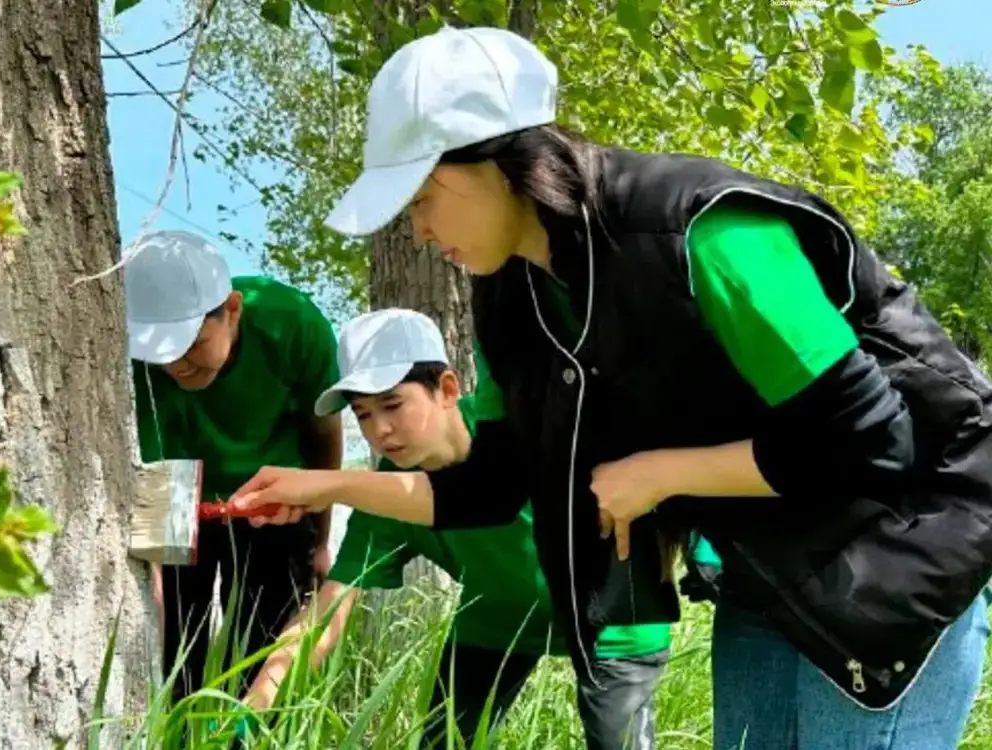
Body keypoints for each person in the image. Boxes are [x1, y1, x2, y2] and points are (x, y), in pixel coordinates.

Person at [228, 26, 992, 750]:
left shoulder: (702, 234)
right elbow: (487, 488)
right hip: (771, 575)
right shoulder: (515, 294)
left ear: (496, 162)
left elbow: (867, 440)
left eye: (422, 197)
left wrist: (659, 475)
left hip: (899, 550)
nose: (418, 231)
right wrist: (321, 486)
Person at [242, 308, 671, 747]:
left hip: (610, 620)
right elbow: (329, 609)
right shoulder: (382, 493)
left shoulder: (515, 428)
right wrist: (251, 709)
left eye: (392, 404)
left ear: (447, 388)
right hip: (495, 620)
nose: (381, 430)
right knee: (438, 742)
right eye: (363, 414)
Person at [125, 230, 343, 709]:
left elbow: (322, 433)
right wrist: (159, 580)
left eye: (192, 344)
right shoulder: (146, 365)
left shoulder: (294, 324)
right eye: (162, 354)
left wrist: (320, 541)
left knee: (263, 648)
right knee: (182, 647)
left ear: (233, 308)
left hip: (277, 507)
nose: (177, 367)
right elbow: (158, 467)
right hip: (187, 502)